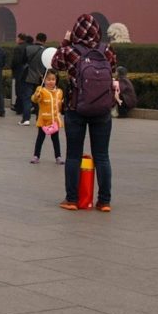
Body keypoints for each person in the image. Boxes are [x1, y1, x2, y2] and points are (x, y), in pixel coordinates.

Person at [52, 14, 116, 212]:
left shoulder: (70, 50)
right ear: (97, 31)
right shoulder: (107, 50)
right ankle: (104, 201)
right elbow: (112, 70)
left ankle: (72, 199)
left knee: (73, 155)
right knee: (102, 156)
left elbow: (54, 64)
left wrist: (65, 41)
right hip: (102, 110)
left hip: (75, 108)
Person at [29, 71, 64, 164]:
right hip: (43, 120)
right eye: (48, 79)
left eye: (53, 79)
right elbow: (34, 99)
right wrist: (36, 96)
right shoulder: (41, 90)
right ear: (43, 80)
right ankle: (36, 156)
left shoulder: (59, 92)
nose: (51, 82)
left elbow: (60, 105)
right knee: (40, 138)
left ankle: (58, 156)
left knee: (55, 139)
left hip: (54, 121)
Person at [18, 34, 46, 125]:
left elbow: (22, 61)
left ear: (36, 39)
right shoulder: (46, 51)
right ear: (44, 41)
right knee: (39, 99)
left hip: (28, 76)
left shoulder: (28, 48)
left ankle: (26, 119)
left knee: (27, 98)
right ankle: (39, 119)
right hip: (40, 78)